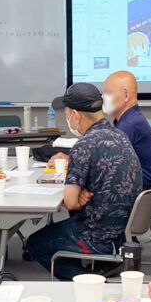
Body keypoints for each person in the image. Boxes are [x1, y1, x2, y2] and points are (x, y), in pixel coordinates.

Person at [26, 84, 141, 281]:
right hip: (122, 232)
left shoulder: (84, 145)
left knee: (36, 243)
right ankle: (91, 269)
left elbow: (70, 202)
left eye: (67, 114)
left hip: (98, 236)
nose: (67, 119)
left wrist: (77, 195)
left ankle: (85, 280)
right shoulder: (119, 135)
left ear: (76, 116)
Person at [102, 70, 151, 189]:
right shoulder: (131, 119)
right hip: (138, 184)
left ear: (126, 95)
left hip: (136, 188)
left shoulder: (129, 124)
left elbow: (106, 162)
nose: (103, 97)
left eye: (108, 93)